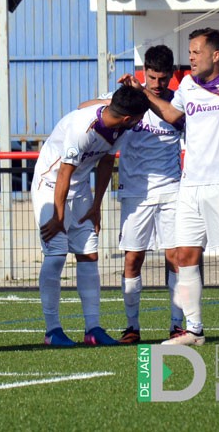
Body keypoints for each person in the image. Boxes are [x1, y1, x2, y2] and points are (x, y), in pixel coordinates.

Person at [127, 28, 219, 347]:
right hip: (190, 187)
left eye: (196, 51)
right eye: (190, 51)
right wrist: (143, 94)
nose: (191, 57)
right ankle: (193, 330)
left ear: (216, 55)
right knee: (185, 256)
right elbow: (172, 115)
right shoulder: (187, 85)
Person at [81, 45, 185, 344]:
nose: (157, 83)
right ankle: (132, 326)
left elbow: (182, 122)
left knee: (176, 257)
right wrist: (115, 99)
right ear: (144, 72)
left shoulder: (176, 104)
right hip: (135, 193)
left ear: (171, 76)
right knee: (132, 260)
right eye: (152, 77)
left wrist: (146, 93)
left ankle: (177, 324)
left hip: (171, 190)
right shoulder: (131, 101)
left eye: (163, 78)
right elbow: (85, 108)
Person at [32, 85, 150, 347]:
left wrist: (96, 206)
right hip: (50, 186)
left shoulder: (120, 122)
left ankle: (93, 329)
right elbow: (64, 172)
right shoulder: (82, 129)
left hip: (82, 187)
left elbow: (106, 162)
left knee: (89, 254)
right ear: (130, 118)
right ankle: (52, 330)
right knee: (56, 255)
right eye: (140, 118)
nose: (141, 122)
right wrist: (57, 216)